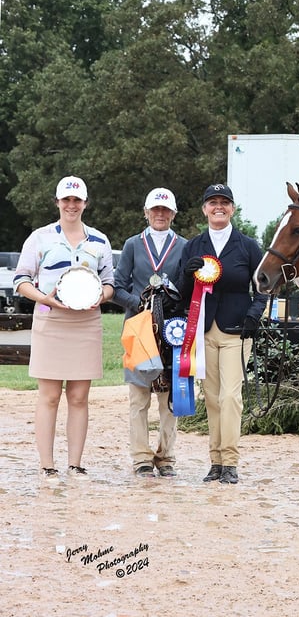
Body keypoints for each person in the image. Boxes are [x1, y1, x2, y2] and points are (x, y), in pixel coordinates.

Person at [13, 176, 115, 485]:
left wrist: (102, 296)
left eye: (77, 200)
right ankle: (47, 465)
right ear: (57, 202)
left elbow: (109, 282)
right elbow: (21, 280)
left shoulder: (99, 240)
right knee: (49, 396)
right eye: (66, 200)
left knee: (80, 396)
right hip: (51, 321)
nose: (72, 205)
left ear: (85, 203)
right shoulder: (39, 238)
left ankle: (75, 464)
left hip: (86, 323)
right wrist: (45, 299)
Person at [179, 184, 268, 484]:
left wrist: (255, 314)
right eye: (213, 202)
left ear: (232, 208)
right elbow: (181, 292)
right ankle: (215, 461)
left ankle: (230, 461)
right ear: (204, 209)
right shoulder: (193, 246)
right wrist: (185, 273)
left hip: (236, 331)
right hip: (202, 331)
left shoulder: (247, 246)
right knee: (213, 399)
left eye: (224, 202)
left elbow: (263, 287)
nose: (219, 207)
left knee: (230, 396)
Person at [113, 188, 188, 478]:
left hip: (173, 331)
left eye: (165, 210)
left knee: (170, 398)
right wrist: (139, 303)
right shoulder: (132, 245)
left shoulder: (184, 246)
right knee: (138, 397)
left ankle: (166, 455)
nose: (160, 214)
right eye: (154, 209)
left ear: (173, 214)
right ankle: (141, 456)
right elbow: (118, 287)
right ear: (145, 212)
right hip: (139, 330)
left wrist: (173, 302)